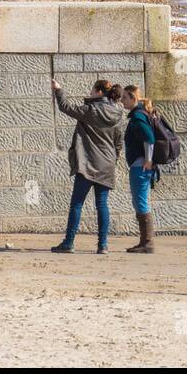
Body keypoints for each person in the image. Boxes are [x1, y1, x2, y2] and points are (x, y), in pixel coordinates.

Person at [50, 79, 121, 254]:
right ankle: (103, 245)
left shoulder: (91, 110)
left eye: (92, 90)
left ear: (98, 92)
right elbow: (118, 141)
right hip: (106, 164)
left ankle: (69, 242)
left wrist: (59, 90)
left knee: (77, 204)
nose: (90, 92)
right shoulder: (118, 111)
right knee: (102, 205)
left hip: (88, 164)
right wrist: (113, 159)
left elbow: (66, 107)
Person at [119, 84, 158, 254]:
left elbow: (149, 138)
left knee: (141, 202)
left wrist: (148, 161)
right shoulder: (139, 115)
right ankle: (144, 241)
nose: (122, 101)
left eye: (125, 98)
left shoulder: (137, 117)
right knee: (139, 201)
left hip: (140, 166)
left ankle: (147, 243)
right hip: (139, 165)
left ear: (133, 98)